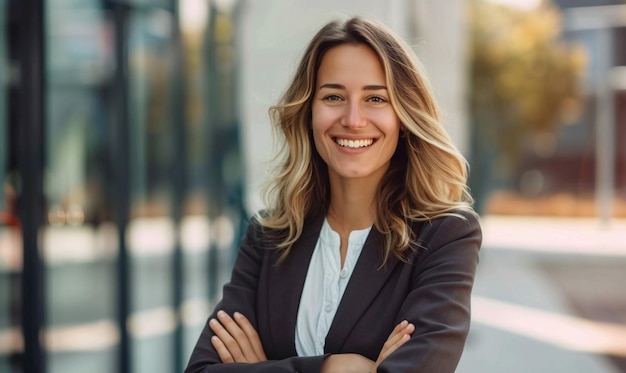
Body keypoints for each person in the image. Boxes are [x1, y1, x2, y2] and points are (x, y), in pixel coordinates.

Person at [185, 16, 481, 373]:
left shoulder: (445, 236)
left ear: (404, 116)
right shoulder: (268, 236)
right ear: (308, 112)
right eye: (333, 96)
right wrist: (337, 367)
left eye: (375, 98)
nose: (353, 119)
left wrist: (266, 367)